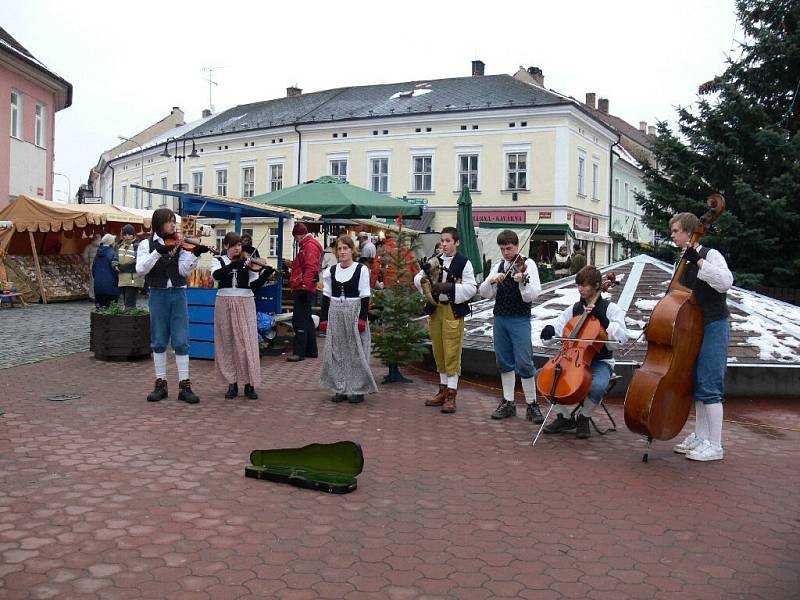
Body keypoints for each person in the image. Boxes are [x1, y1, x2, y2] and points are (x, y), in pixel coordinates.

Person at [669, 212, 733, 462]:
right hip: (691, 328)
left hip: (713, 323)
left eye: (676, 231)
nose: (672, 235)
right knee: (698, 382)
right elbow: (678, 294)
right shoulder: (683, 261)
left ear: (689, 232)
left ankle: (715, 445)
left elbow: (725, 282)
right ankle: (700, 436)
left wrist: (700, 262)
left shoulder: (710, 254)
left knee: (710, 382)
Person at [540, 265, 628, 439]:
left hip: (601, 361)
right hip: (572, 359)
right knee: (541, 378)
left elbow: (621, 340)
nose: (580, 289)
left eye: (584, 285)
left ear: (597, 286)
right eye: (578, 285)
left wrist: (604, 320)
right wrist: (549, 331)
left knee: (597, 386)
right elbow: (558, 332)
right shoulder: (573, 310)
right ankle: (565, 417)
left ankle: (584, 417)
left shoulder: (611, 309)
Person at [136, 208, 210, 404]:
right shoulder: (146, 244)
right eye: (169, 221)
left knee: (181, 340)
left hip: (178, 293)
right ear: (159, 223)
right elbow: (140, 269)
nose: (173, 225)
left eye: (173, 221)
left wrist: (195, 255)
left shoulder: (180, 242)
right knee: (159, 340)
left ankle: (184, 385)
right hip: (158, 293)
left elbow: (183, 270)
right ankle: (160, 383)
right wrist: (157, 253)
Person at [479, 230, 545, 423]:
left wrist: (522, 283)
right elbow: (484, 293)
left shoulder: (528, 264)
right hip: (500, 318)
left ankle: (532, 404)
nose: (506, 253)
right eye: (503, 249)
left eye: (509, 248)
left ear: (516, 246)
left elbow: (532, 294)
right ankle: (508, 402)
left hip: (519, 319)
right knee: (504, 361)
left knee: (524, 362)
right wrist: (492, 280)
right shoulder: (499, 266)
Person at [414, 226, 477, 413]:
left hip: (452, 309)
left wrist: (450, 287)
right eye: (442, 241)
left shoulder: (464, 263)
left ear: (456, 243)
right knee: (438, 350)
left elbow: (472, 288)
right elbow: (418, 279)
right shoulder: (435, 260)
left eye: (448, 241)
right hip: (436, 310)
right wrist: (423, 278)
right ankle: (442, 389)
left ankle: (451, 393)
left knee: (451, 351)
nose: (444, 244)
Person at [211, 231, 275, 400]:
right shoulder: (218, 260)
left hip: (245, 301)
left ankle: (249, 384)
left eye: (239, 245)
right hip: (224, 301)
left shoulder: (248, 262)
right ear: (226, 246)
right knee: (227, 342)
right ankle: (232, 383)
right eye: (233, 246)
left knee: (247, 342)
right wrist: (235, 264)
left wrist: (266, 273)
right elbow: (216, 276)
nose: (237, 248)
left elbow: (254, 284)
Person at [319, 235, 378, 403]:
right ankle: (341, 388)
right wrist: (324, 319)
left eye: (346, 248)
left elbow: (365, 294)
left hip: (354, 311)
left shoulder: (361, 269)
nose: (342, 252)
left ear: (352, 250)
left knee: (356, 351)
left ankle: (358, 389)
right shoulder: (331, 271)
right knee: (337, 351)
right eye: (339, 249)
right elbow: (326, 296)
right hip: (336, 311)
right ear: (336, 252)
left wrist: (361, 318)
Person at [285, 222, 323, 362]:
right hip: (306, 287)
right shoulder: (309, 245)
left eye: (296, 237)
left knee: (299, 320)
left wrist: (305, 285)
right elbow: (308, 265)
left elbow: (310, 267)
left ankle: (299, 352)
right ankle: (311, 350)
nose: (296, 240)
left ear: (299, 235)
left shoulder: (309, 246)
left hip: (303, 288)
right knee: (307, 320)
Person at [114, 224, 143, 309]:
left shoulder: (137, 245)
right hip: (122, 278)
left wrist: (123, 267)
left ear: (133, 235)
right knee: (126, 302)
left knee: (129, 303)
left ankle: (129, 319)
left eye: (129, 234)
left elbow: (138, 261)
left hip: (133, 279)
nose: (127, 237)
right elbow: (115, 257)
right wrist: (115, 265)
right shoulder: (120, 245)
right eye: (125, 235)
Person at [92, 234, 120, 308]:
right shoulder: (113, 254)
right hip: (111, 287)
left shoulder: (97, 254)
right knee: (110, 312)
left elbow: (93, 271)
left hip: (98, 287)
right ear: (111, 243)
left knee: (99, 311)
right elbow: (116, 271)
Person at [82, 234, 101, 300]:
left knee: (92, 281)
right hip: (100, 266)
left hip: (92, 265)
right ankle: (98, 294)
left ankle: (92, 295)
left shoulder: (89, 246)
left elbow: (84, 256)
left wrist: (88, 262)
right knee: (99, 281)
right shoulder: (101, 247)